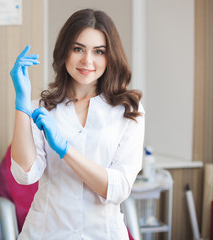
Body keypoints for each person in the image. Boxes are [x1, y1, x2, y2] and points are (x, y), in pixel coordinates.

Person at [9, 8, 145, 240]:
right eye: (78, 49)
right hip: (47, 232)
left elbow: (118, 188)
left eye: (98, 51)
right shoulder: (41, 107)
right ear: (65, 52)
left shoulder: (128, 110)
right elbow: (26, 175)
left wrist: (65, 149)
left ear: (110, 56)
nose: (87, 61)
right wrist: (22, 106)